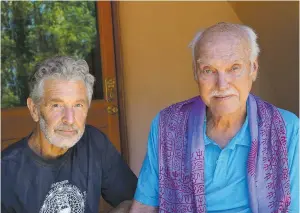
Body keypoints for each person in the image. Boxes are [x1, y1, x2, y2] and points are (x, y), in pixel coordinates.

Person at [130, 22, 299, 213]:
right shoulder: (166, 126)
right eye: (208, 70)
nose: (222, 84)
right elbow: (144, 205)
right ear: (195, 72)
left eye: (234, 68)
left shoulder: (287, 129)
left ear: (253, 69)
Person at [1, 56, 137, 213]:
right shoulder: (6, 172)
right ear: (34, 109)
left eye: (78, 105)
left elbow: (134, 202)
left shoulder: (94, 143)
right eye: (57, 105)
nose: (69, 119)